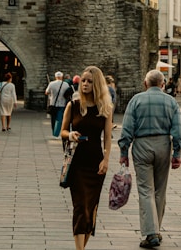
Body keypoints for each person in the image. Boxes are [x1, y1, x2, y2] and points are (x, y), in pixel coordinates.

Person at [118, 70, 181, 249]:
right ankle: (156, 229)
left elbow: (127, 128)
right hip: (163, 143)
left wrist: (124, 151)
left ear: (145, 84)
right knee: (160, 190)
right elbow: (178, 129)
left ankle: (151, 232)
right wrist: (177, 153)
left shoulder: (136, 100)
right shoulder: (170, 101)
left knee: (146, 190)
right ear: (163, 85)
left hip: (141, 145)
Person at [61, 66, 114, 250]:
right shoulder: (73, 105)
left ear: (97, 84)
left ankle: (81, 246)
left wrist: (106, 159)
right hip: (76, 162)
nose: (85, 84)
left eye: (89, 81)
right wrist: (70, 135)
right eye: (83, 80)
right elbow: (62, 131)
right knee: (80, 207)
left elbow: (107, 138)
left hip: (95, 162)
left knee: (90, 208)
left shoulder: (105, 108)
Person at [46, 72, 72, 138]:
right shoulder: (65, 84)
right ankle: (56, 133)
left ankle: (54, 132)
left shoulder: (51, 84)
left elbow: (46, 92)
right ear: (62, 77)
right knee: (59, 119)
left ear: (55, 77)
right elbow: (68, 92)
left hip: (53, 103)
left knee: (53, 119)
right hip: (62, 103)